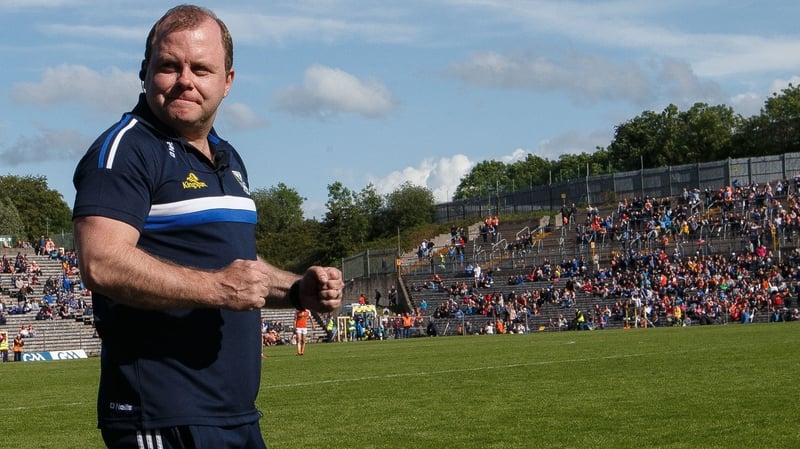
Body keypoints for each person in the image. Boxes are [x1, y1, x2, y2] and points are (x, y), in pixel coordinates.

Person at [71, 5, 344, 449]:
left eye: (201, 68)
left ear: (227, 81)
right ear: (144, 72)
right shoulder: (126, 150)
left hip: (233, 415)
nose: (186, 80)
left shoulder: (229, 159)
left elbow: (236, 268)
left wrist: (296, 290)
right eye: (168, 66)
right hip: (162, 416)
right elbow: (101, 262)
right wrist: (217, 288)